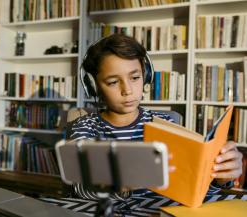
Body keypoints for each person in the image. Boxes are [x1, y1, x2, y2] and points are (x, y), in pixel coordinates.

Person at [69, 33, 243, 200]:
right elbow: (80, 187)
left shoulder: (165, 124)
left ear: (146, 76)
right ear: (93, 86)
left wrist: (220, 177)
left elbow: (189, 185)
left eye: (135, 77)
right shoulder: (85, 127)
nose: (127, 90)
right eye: (113, 82)